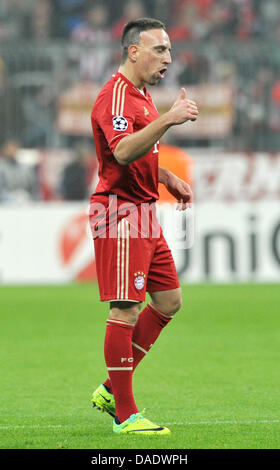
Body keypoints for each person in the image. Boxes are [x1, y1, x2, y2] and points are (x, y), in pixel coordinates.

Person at [90, 18, 198, 435]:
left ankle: (111, 388)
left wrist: (166, 177)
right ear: (133, 51)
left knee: (169, 300)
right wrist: (169, 119)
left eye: (169, 50)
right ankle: (125, 414)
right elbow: (120, 152)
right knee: (126, 308)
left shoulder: (142, 96)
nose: (168, 58)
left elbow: (141, 155)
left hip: (144, 212)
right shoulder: (115, 96)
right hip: (118, 213)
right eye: (159, 50)